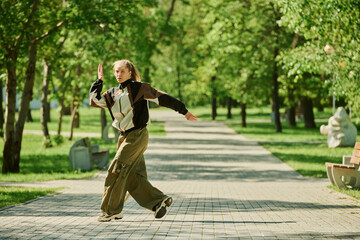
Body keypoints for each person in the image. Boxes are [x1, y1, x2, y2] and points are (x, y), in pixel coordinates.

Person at [89, 59, 198, 222]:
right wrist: (98, 82)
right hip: (123, 137)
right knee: (132, 176)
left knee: (117, 169)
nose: (118, 74)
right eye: (116, 71)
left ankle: (112, 210)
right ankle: (158, 201)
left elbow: (163, 98)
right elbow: (94, 101)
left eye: (122, 71)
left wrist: (185, 112)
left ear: (130, 72)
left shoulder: (140, 89)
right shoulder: (112, 93)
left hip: (137, 135)